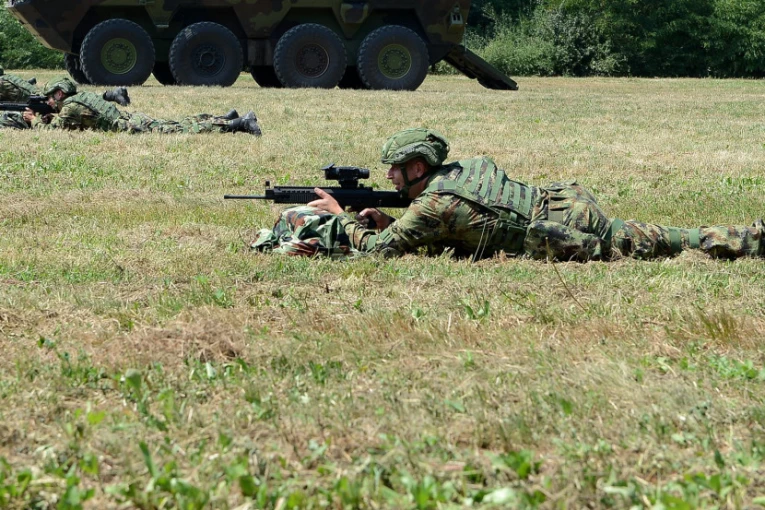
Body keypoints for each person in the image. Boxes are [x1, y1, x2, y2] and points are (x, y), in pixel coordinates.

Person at [252, 128, 764, 260]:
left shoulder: (434, 204)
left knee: (666, 243)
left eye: (395, 170)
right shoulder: (460, 171)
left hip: (562, 230)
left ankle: (751, 240)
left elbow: (379, 252)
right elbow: (456, 226)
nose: (389, 178)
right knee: (659, 236)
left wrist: (341, 216)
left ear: (416, 168)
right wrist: (391, 218)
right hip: (564, 201)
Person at [41, 86, 261, 136]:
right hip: (132, 118)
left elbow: (55, 129)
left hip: (130, 126)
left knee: (180, 129)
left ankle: (238, 123)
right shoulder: (82, 96)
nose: (49, 102)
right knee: (178, 123)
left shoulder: (69, 107)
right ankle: (222, 118)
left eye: (50, 97)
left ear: (59, 94)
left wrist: (34, 120)